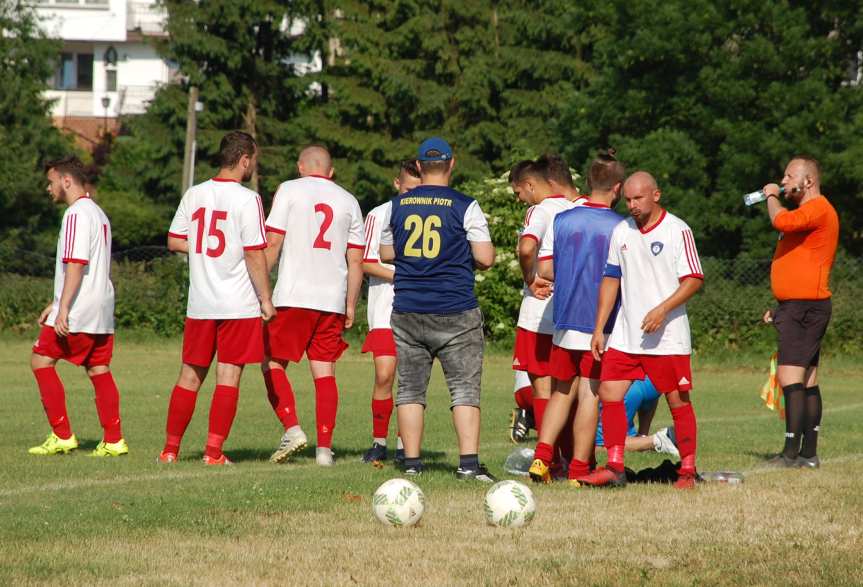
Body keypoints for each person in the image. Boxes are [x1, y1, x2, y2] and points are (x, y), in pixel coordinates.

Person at [379, 137, 496, 481]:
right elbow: (486, 257)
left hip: (408, 308)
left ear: (417, 167)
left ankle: (412, 464)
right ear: (452, 163)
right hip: (455, 308)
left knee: (410, 389)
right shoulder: (465, 205)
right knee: (464, 389)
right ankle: (469, 465)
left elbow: (387, 255)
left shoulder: (396, 205)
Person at [159, 131, 274, 465]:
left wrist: (202, 249)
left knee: (189, 377)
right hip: (237, 304)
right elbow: (255, 254)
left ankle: (169, 450)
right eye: (254, 160)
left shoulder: (195, 194)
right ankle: (213, 453)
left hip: (201, 303)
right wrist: (266, 298)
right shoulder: (247, 199)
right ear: (244, 160)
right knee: (228, 376)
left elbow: (174, 240)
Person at [584, 171, 703, 489]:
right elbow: (611, 278)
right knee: (609, 393)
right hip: (627, 334)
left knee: (677, 400)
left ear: (656, 195)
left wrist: (663, 309)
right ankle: (615, 467)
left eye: (639, 198)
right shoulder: (621, 231)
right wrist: (600, 328)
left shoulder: (678, 230)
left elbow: (693, 279)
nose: (632, 205)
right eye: (628, 199)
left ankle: (687, 471)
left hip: (668, 336)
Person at [262, 145, 365, 466]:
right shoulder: (349, 200)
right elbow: (356, 259)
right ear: (331, 172)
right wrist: (350, 303)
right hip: (331, 299)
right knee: (324, 373)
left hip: (293, 295)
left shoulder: (289, 190)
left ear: (300, 167)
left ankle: (292, 428)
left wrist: (259, 287)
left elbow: (274, 241)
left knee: (271, 362)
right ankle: (324, 450)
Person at [528, 150, 624, 484]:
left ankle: (542, 458)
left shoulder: (562, 219)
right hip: (601, 324)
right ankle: (579, 469)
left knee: (560, 392)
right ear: (618, 188)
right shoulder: (620, 227)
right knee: (590, 394)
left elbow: (545, 268)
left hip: (564, 319)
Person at [29, 156, 127, 457]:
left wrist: (64, 308)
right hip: (100, 307)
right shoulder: (98, 214)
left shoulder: (75, 215)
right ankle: (113, 440)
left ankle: (62, 435)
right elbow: (87, 268)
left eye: (51, 181)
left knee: (40, 360)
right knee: (99, 368)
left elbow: (76, 263)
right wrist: (55, 301)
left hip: (79, 308)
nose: (49, 188)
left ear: (66, 180)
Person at [761, 156, 839, 469]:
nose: (783, 180)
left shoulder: (818, 208)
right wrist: (781, 305)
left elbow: (780, 221)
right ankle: (807, 454)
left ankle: (791, 454)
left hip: (805, 307)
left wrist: (770, 196)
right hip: (798, 305)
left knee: (789, 375)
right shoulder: (807, 213)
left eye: (789, 175)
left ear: (807, 181)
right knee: (806, 379)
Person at [511, 159, 576, 449]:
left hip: (540, 311)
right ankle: (572, 453)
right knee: (568, 386)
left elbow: (527, 247)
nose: (519, 199)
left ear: (530, 185)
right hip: (572, 309)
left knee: (542, 387)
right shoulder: (574, 207)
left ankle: (547, 455)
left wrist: (529, 278)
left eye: (518, 193)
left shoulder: (538, 210)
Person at [360, 160, 422, 463]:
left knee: (410, 379)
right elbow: (368, 262)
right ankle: (378, 441)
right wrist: (404, 275)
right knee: (385, 375)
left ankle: (403, 448)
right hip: (385, 308)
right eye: (409, 189)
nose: (413, 195)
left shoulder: (429, 214)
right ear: (397, 185)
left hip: (418, 309)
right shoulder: (379, 214)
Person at [594, 377, 679, 457]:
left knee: (601, 445)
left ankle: (659, 440)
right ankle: (643, 438)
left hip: (621, 386)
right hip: (652, 380)